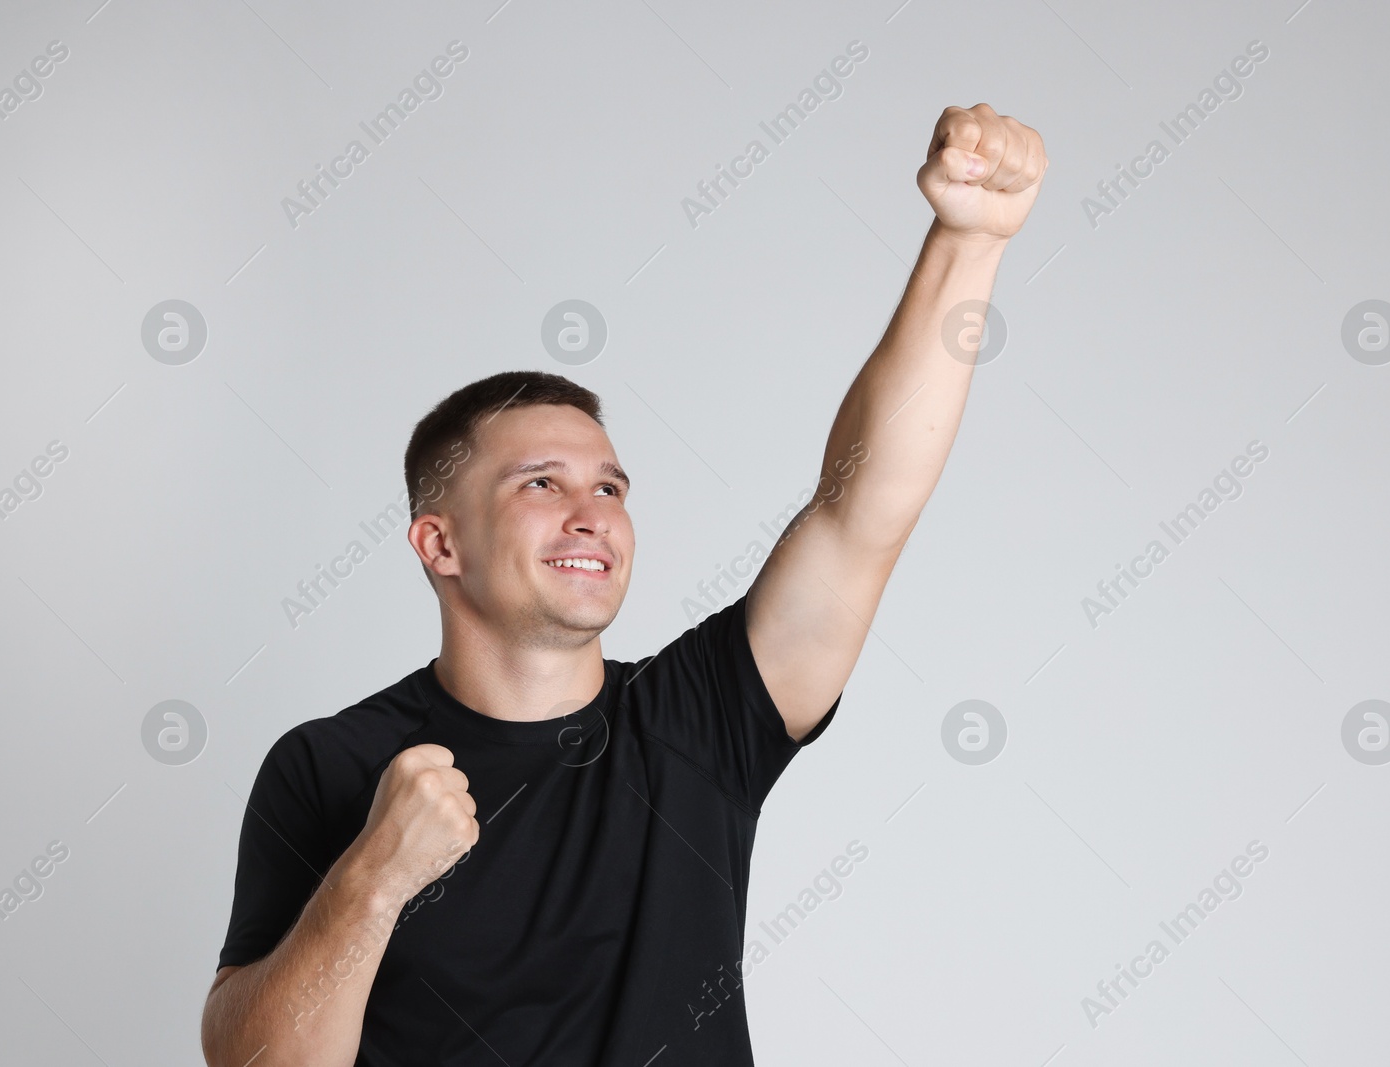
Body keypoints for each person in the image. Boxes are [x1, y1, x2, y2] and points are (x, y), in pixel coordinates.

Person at [200, 102, 1046, 1067]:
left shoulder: (703, 716)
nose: (592, 511)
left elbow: (859, 512)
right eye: (540, 485)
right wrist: (369, 882)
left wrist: (967, 241)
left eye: (609, 485)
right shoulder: (328, 766)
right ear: (440, 544)